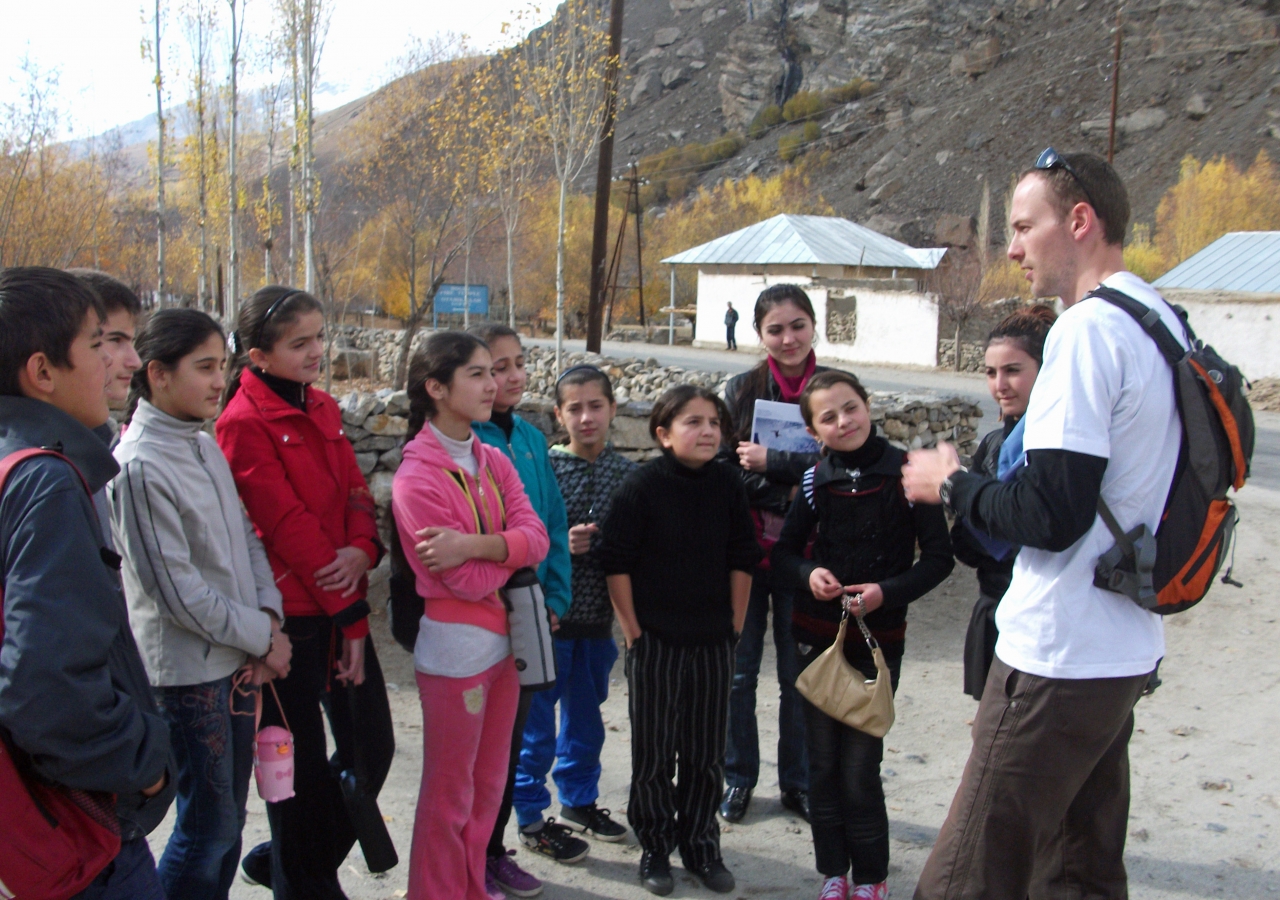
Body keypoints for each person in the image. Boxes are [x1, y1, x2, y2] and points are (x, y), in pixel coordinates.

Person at [904, 150, 1181, 900]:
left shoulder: (1088, 331)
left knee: (968, 876)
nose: (1013, 248)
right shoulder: (1160, 319)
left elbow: (1049, 515)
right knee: (1079, 870)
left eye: (1025, 227)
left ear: (1081, 221)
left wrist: (952, 483)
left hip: (1057, 654)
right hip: (1123, 644)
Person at [0, 266, 174, 900]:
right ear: (44, 371)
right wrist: (145, 764)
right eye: (98, 343)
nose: (116, 362)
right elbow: (45, 685)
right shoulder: (44, 480)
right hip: (74, 827)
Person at [109, 308, 293, 900]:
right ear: (158, 374)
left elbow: (244, 537)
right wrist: (262, 638)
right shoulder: (139, 464)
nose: (220, 381)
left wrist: (269, 619)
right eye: (205, 367)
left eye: (224, 366)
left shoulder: (199, 440)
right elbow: (177, 593)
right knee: (205, 828)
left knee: (229, 823)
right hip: (188, 674)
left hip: (236, 658)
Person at [217, 286, 392, 900]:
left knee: (374, 747)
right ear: (259, 355)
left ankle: (295, 864)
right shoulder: (241, 424)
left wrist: (364, 551)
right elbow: (285, 525)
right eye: (301, 343)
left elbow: (354, 494)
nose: (318, 350)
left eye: (320, 336)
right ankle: (305, 879)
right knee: (298, 771)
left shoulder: (321, 405)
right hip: (294, 620)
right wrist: (350, 613)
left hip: (340, 604)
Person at [773, 370, 954, 900]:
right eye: (827, 417)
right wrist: (809, 576)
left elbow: (939, 560)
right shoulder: (813, 480)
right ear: (812, 429)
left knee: (860, 769)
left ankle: (872, 879)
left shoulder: (907, 474)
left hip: (878, 642)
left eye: (850, 408)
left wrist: (886, 592)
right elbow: (783, 554)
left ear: (867, 406)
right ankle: (834, 874)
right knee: (822, 767)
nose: (843, 421)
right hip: (815, 641)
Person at [391, 331, 550, 900]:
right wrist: (499, 554)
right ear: (436, 388)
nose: (494, 384)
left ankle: (468, 887)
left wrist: (474, 545)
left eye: (495, 371)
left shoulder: (495, 458)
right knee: (449, 791)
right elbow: (461, 579)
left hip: (505, 648)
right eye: (478, 374)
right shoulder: (416, 477)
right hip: (456, 651)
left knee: (487, 785)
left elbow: (537, 540)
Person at [599, 384, 762, 896]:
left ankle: (700, 845)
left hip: (713, 642)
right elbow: (615, 561)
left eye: (714, 422)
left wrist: (734, 626)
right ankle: (654, 847)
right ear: (664, 434)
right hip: (656, 644)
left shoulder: (727, 484)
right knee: (653, 755)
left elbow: (743, 555)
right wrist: (633, 632)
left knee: (705, 753)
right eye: (693, 422)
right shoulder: (641, 487)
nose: (708, 431)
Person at [466, 324, 580, 896]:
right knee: (474, 746)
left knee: (511, 737)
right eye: (492, 368)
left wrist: (555, 597)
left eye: (515, 365)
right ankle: (468, 854)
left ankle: (494, 849)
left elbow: (553, 525)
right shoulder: (465, 438)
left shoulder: (532, 439)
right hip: (480, 608)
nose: (507, 379)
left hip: (532, 606)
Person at [512, 365, 637, 865]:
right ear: (558, 414)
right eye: (574, 408)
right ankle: (529, 814)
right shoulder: (543, 468)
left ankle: (580, 800)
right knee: (536, 727)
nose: (587, 418)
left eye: (596, 406)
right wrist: (561, 545)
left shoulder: (627, 475)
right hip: (548, 623)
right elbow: (522, 534)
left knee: (586, 721)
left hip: (597, 625)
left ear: (613, 409)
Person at [719, 284, 828, 825]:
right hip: (743, 555)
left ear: (813, 326)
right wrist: (786, 488)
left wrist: (776, 468)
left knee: (797, 676)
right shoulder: (739, 390)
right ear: (758, 334)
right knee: (739, 675)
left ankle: (799, 782)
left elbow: (838, 472)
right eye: (775, 329)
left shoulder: (833, 391)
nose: (788, 339)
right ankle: (737, 777)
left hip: (807, 561)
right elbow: (723, 472)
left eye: (797, 326)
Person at [950, 305, 1056, 699]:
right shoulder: (994, 445)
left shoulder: (1061, 448)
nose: (1000, 385)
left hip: (1043, 620)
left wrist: (982, 509)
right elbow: (965, 544)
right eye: (991, 373)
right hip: (994, 607)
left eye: (1013, 370)